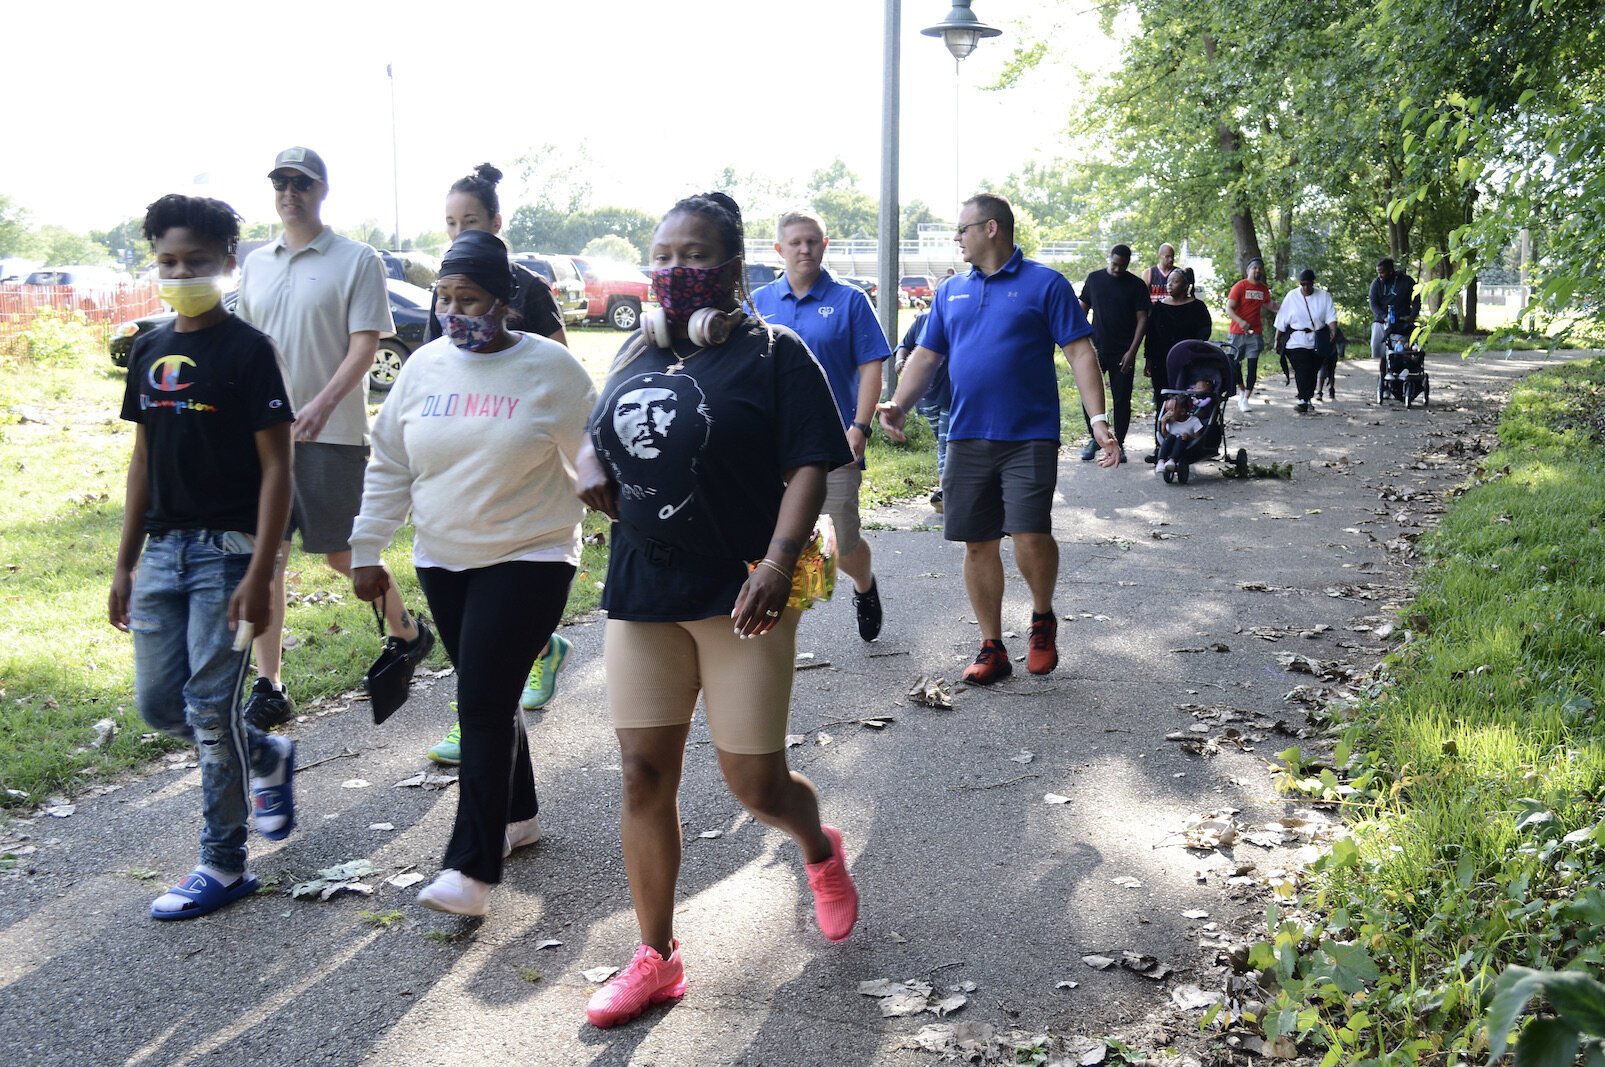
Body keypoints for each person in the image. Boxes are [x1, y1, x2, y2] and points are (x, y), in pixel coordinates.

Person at [578, 193, 859, 1029]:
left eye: (691, 253)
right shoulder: (636, 346)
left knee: (755, 782)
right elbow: (597, 430)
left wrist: (778, 559)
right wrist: (587, 462)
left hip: (742, 593)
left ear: (735, 268)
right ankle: (657, 958)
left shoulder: (776, 352)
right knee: (641, 774)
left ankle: (817, 846)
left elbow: (813, 460)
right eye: (659, 254)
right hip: (642, 590)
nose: (670, 269)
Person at [348, 230, 595, 917]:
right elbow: (391, 462)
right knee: (489, 691)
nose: (455, 311)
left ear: (505, 301)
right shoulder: (424, 366)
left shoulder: (552, 370)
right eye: (445, 297)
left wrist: (633, 519)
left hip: (532, 555)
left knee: (480, 702)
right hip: (443, 558)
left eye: (471, 299)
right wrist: (368, 546)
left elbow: (596, 462)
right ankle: (518, 814)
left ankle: (470, 867)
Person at [109, 194, 297, 919]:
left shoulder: (249, 351)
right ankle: (264, 750)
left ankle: (223, 863)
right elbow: (142, 461)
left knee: (205, 707)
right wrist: (125, 562)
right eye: (168, 260)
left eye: (195, 260)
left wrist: (261, 570)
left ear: (228, 261)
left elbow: (279, 468)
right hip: (163, 550)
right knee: (161, 705)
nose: (181, 271)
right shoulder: (151, 347)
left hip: (229, 553)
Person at [879, 193, 1119, 686]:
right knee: (977, 543)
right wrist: (898, 404)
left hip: (1028, 434)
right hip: (966, 433)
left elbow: (1079, 352)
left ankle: (1041, 618)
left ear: (991, 229)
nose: (957, 237)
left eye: (962, 228)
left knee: (1030, 533)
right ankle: (992, 645)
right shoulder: (949, 292)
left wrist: (1098, 419)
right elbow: (926, 357)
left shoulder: (1045, 284)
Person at [235, 146, 433, 732]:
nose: (290, 192)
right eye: (281, 182)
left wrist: (321, 404)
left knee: (341, 552)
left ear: (322, 190)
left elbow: (365, 344)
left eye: (302, 182)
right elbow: (246, 347)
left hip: (333, 432)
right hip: (263, 435)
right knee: (264, 557)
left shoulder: (355, 259)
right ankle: (270, 686)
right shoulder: (256, 263)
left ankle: (407, 630)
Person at [421, 164, 575, 768]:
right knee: (486, 663)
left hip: (522, 480)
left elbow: (559, 365)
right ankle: (513, 804)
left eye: (471, 221)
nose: (460, 231)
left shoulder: (523, 286)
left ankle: (478, 738)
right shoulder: (450, 288)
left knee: (488, 665)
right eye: (451, 222)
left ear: (496, 222)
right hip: (462, 485)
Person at [750, 210, 889, 641]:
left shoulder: (850, 301)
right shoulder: (757, 302)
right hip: (767, 448)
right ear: (779, 249)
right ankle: (770, 623)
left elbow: (870, 368)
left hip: (833, 444)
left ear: (824, 244)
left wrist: (860, 428)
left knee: (842, 543)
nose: (805, 249)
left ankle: (864, 586)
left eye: (812, 241)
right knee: (764, 540)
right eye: (795, 242)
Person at [1077, 243, 1149, 460]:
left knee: (1122, 398)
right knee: (1089, 395)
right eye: (1115, 264)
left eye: (1122, 266)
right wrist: (1084, 337)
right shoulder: (1094, 279)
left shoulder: (1135, 285)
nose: (1118, 269)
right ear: (1110, 258)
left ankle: (1121, 442)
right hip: (1096, 347)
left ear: (1128, 264)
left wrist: (1132, 351)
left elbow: (1142, 319)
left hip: (1123, 351)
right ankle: (1094, 438)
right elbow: (1082, 307)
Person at [892, 310, 949, 512]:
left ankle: (945, 491)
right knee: (941, 440)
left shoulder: (957, 317)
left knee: (946, 441)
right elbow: (904, 346)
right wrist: (901, 362)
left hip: (952, 393)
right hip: (927, 396)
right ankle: (951, 485)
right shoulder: (924, 321)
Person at [1142, 266, 1212, 415]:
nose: (1170, 285)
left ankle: (1186, 431)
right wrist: (1148, 360)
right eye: (1168, 281)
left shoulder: (1197, 307)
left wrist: (1193, 349)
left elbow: (1204, 331)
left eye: (1175, 281)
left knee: (1186, 399)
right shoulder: (1159, 308)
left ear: (1185, 285)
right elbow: (1151, 336)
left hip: (1188, 360)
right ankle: (1162, 433)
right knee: (1163, 400)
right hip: (1161, 362)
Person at [1273, 268, 1340, 413]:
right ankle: (1303, 399)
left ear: (1313, 283)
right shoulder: (1292, 296)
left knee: (1312, 370)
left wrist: (1333, 331)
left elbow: (1331, 316)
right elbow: (1282, 320)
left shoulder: (1324, 296)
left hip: (1317, 339)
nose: (1305, 287)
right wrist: (1277, 339)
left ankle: (1307, 397)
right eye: (1302, 284)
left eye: (1308, 284)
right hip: (1296, 340)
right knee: (1302, 368)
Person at [1225, 257, 1279, 413]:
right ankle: (1241, 390)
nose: (1257, 270)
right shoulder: (1240, 286)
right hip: (1237, 332)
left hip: (1255, 333)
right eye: (1254, 268)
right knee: (1234, 365)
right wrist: (1240, 321)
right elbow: (1229, 308)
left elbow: (1270, 305)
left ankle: (1246, 398)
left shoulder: (1263, 289)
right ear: (1248, 270)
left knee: (1253, 366)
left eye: (1259, 268)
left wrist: (1288, 309)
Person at [1369, 257, 1420, 378]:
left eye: (1382, 272)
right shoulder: (1376, 284)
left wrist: (1412, 316)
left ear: (1390, 271)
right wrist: (1383, 316)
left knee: (1400, 351)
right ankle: (1384, 379)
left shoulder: (1407, 281)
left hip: (1402, 322)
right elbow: (1373, 303)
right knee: (1382, 352)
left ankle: (1402, 373)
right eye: (1378, 273)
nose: (1380, 275)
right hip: (1382, 321)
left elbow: (1417, 300)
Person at [1154, 393, 1202, 475]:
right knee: (1170, 437)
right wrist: (1163, 424)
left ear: (1182, 412)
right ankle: (1161, 461)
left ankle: (1172, 460)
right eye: (1167, 410)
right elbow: (1165, 435)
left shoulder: (1194, 421)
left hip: (1187, 446)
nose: (1168, 413)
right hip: (1170, 444)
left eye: (1171, 410)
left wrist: (1189, 437)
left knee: (1180, 438)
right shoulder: (1171, 422)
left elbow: (1198, 438)